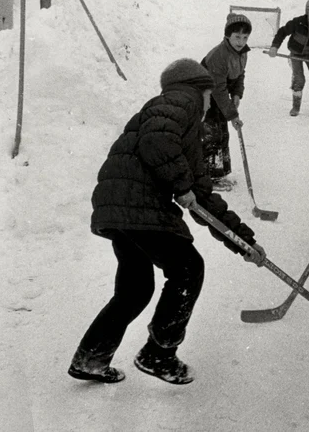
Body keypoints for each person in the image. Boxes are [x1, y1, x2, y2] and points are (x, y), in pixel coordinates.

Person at [68, 59, 266, 385]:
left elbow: (202, 195)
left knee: (135, 289)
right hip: (139, 204)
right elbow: (155, 142)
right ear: (198, 88)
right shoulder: (180, 102)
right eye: (209, 96)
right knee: (188, 268)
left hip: (118, 205)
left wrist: (242, 241)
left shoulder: (180, 123)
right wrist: (180, 184)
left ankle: (91, 358)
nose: (208, 104)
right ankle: (158, 355)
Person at [200, 13, 252, 191]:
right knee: (212, 134)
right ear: (228, 36)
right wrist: (232, 115)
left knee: (222, 133)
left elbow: (240, 75)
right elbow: (219, 90)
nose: (241, 41)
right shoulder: (219, 56)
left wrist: (237, 94)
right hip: (205, 95)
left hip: (218, 95)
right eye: (237, 37)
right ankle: (208, 177)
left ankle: (219, 173)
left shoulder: (242, 53)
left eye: (245, 37)